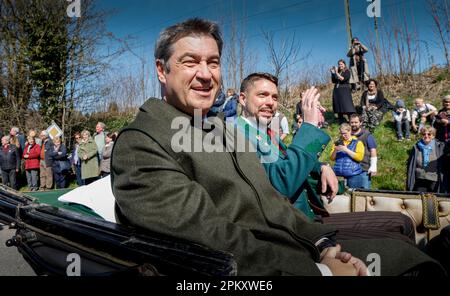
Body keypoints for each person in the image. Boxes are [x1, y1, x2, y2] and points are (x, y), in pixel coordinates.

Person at [111, 18, 444, 276]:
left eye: (213, 62)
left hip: (297, 243)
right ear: (161, 70)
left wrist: (323, 245)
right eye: (189, 61)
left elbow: (272, 200)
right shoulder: (142, 143)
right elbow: (209, 237)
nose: (205, 74)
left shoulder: (219, 130)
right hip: (265, 265)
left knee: (411, 253)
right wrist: (319, 270)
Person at [236, 73, 415, 245]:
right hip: (295, 230)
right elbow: (281, 183)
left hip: (311, 217)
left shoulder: (266, 132)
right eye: (262, 95)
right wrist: (309, 126)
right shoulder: (236, 136)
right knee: (400, 237)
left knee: (402, 223)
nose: (270, 102)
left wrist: (321, 166)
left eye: (274, 97)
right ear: (243, 99)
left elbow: (289, 160)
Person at [407, 126, 446, 193]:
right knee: (421, 200)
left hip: (434, 178)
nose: (426, 136)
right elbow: (411, 164)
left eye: (429, 134)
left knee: (434, 201)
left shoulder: (440, 146)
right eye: (424, 134)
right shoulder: (416, 147)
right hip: (420, 177)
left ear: (433, 136)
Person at [331, 123, 366, 189]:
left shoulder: (358, 142)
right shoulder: (337, 142)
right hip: (338, 174)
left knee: (354, 195)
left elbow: (359, 158)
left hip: (353, 175)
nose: (343, 136)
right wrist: (335, 150)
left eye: (345, 133)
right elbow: (332, 158)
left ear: (350, 131)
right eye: (341, 133)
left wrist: (346, 150)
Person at [349, 114, 377, 189]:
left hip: (364, 169)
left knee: (365, 193)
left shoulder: (367, 135)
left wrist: (373, 166)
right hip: (350, 170)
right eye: (352, 122)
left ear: (360, 123)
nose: (353, 124)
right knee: (352, 193)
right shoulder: (347, 135)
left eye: (356, 122)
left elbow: (373, 149)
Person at [331, 59, 355, 124]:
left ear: (344, 65)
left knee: (347, 105)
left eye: (341, 64)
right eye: (339, 64)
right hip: (337, 91)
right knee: (338, 105)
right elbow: (334, 81)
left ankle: (352, 121)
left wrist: (336, 72)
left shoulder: (347, 71)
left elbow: (342, 79)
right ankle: (341, 121)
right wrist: (333, 73)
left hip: (344, 91)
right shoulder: (338, 72)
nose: (340, 65)